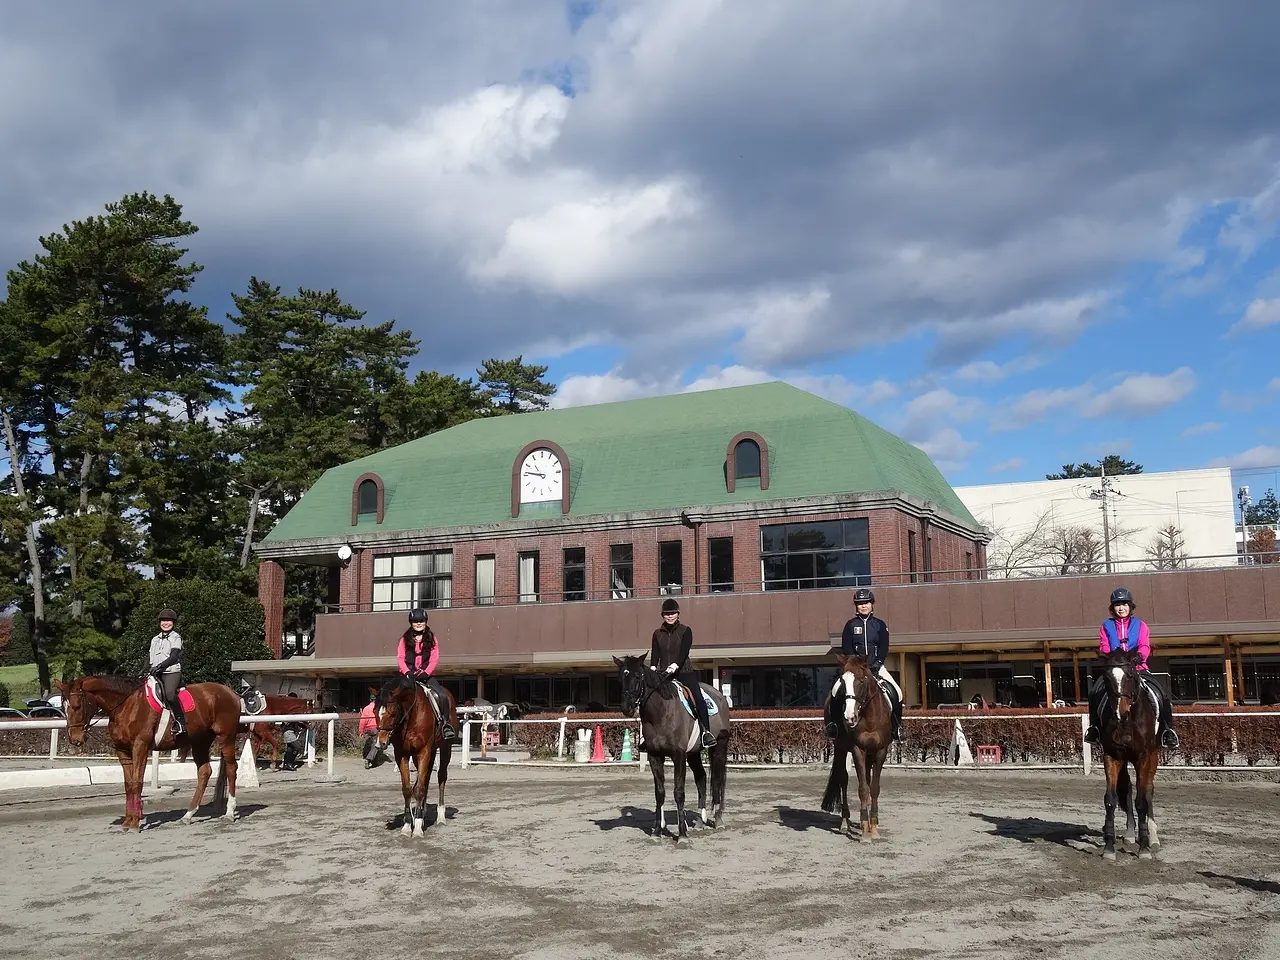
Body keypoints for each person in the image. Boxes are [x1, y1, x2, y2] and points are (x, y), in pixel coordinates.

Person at [1085, 588, 1179, 749]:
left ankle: (1168, 730)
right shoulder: (1106, 625)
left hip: (1138, 667)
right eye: (1117, 605)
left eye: (1124, 604)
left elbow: (1144, 645)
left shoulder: (1140, 625)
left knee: (1162, 693)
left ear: (1130, 606)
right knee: (1094, 693)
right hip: (1115, 669)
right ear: (1112, 608)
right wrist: (1114, 659)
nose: (1121, 608)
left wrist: (1138, 657)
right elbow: (1104, 646)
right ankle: (1094, 729)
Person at [825, 589, 903, 742]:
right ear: (856, 606)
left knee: (897, 692)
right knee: (835, 692)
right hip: (856, 669)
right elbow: (847, 647)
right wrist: (856, 665)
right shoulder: (850, 625)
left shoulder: (880, 625)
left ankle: (896, 728)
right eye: (860, 603)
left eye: (866, 603)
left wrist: (877, 663)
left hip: (876, 666)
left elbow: (884, 647)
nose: (863, 606)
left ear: (872, 604)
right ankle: (834, 726)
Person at [649, 598, 717, 749]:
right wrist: (653, 668)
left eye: (672, 613)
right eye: (667, 614)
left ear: (678, 614)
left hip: (684, 672)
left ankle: (706, 732)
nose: (670, 616)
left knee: (698, 698)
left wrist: (675, 665)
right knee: (648, 698)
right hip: (663, 674)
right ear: (662, 615)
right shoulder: (656, 634)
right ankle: (646, 735)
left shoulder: (686, 631)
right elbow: (655, 653)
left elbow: (684, 651)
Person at [397, 608, 456, 740]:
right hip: (408, 675)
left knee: (442, 695)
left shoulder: (432, 638)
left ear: (426, 622)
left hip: (426, 675)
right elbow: (400, 658)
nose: (419, 623)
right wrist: (407, 672)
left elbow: (434, 658)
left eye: (421, 621)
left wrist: (426, 672)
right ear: (411, 623)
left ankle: (445, 725)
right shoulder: (404, 639)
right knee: (393, 696)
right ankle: (390, 730)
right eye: (415, 621)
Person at [149, 607, 186, 736]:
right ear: (160, 623)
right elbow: (149, 657)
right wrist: (145, 670)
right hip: (156, 672)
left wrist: (160, 666)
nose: (166, 623)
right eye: (163, 621)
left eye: (169, 621)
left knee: (170, 694)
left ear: (173, 623)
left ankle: (180, 722)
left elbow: (174, 656)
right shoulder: (155, 639)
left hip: (171, 672)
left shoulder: (176, 637)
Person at [359, 691, 379, 767]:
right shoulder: (378, 708)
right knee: (377, 745)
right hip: (376, 728)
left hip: (368, 729)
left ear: (370, 700)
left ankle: (375, 762)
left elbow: (362, 721)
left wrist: (361, 731)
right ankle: (368, 759)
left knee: (372, 744)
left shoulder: (366, 708)